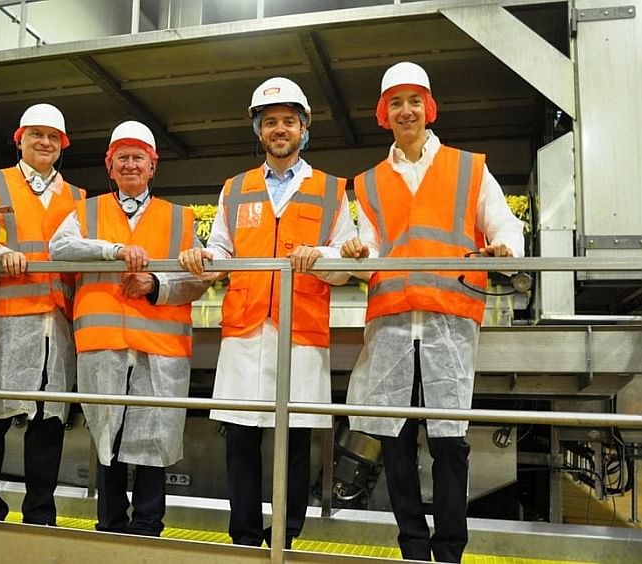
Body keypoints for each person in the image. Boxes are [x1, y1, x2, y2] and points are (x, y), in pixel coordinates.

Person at [341, 61, 525, 563]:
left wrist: (506, 248)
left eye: (414, 101)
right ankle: (413, 551)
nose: (406, 110)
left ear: (428, 108)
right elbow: (372, 244)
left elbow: (505, 226)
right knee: (395, 443)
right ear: (384, 114)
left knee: (450, 445)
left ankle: (449, 553)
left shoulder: (469, 168)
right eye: (395, 102)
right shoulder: (371, 182)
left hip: (448, 325)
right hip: (394, 326)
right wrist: (358, 250)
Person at [178, 77, 356, 549]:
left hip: (300, 331)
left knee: (295, 442)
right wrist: (201, 256)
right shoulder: (234, 189)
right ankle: (244, 539)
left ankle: (287, 537)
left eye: (289, 121)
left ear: (304, 129)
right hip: (245, 331)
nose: (280, 129)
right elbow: (219, 249)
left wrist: (322, 255)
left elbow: (345, 265)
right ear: (259, 130)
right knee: (239, 439)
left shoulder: (332, 191)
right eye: (271, 121)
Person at [49, 120, 210, 537]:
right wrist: (112, 250)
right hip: (104, 346)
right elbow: (59, 247)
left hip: (160, 348)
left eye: (139, 157)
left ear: (153, 166)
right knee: (108, 440)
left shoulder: (181, 219)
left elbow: (198, 281)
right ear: (110, 165)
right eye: (122, 157)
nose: (131, 164)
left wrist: (155, 285)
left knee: (153, 442)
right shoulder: (86, 212)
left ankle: (147, 528)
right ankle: (110, 526)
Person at [0, 103, 85, 525]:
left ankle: (40, 514)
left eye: (52, 138)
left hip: (55, 325)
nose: (44, 143)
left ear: (62, 146)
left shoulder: (77, 197)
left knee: (48, 423)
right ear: (20, 140)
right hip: (5, 320)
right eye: (35, 135)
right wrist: (0, 253)